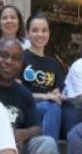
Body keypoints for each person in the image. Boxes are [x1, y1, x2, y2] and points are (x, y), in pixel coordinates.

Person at [22, 12, 64, 144]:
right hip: (27, 107)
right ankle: (51, 153)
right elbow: (18, 93)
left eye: (44, 30)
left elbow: (57, 91)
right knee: (51, 107)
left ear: (49, 33)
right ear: (27, 33)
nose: (40, 34)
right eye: (35, 30)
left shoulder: (53, 62)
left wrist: (55, 95)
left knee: (53, 107)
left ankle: (47, 150)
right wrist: (45, 96)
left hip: (48, 108)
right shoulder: (21, 58)